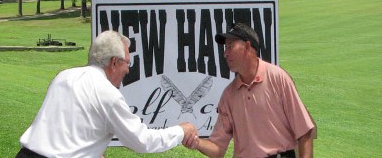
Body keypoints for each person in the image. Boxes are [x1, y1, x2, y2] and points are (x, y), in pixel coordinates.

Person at [16, 30, 197, 158]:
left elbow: (67, 127)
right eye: (127, 63)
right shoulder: (108, 94)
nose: (127, 70)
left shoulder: (64, 76)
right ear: (114, 63)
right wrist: (181, 131)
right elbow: (142, 141)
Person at [185, 23, 315, 158]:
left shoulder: (277, 77)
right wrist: (196, 142)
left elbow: (304, 131)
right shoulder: (229, 94)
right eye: (225, 48)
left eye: (230, 46)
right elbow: (218, 148)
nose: (225, 54)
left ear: (247, 46)